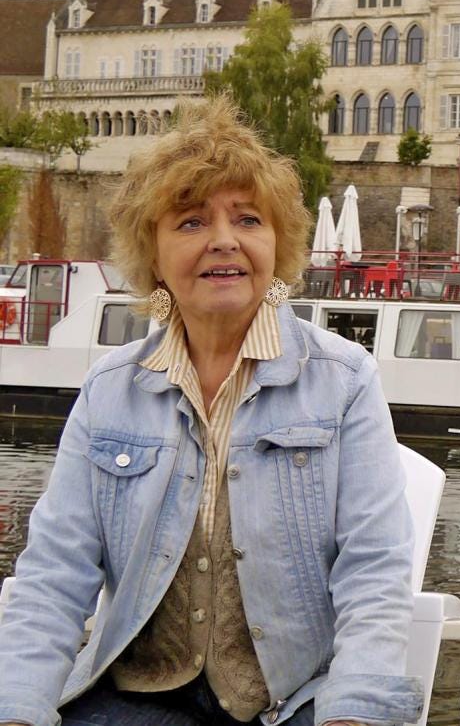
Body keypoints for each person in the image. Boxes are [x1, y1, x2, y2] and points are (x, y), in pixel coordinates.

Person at [0, 97, 423, 726]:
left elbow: (374, 571)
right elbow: (54, 578)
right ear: (153, 254)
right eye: (191, 223)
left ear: (276, 243)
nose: (223, 240)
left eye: (248, 219)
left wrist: (355, 710)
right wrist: (17, 708)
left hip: (297, 697)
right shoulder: (112, 389)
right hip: (142, 694)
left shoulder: (343, 381)